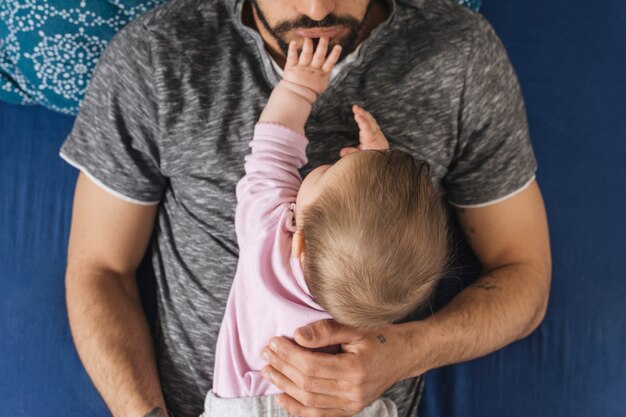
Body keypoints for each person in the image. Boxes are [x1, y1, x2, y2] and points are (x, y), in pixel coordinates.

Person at [59, 0, 552, 416]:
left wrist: (406, 354)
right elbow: (99, 270)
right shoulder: (154, 55)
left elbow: (523, 273)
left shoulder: (460, 53)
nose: (317, 10)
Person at [205, 36, 448, 417]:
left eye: (330, 171)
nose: (332, 162)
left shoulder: (271, 240)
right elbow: (380, 236)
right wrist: (373, 175)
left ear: (297, 240)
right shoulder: (374, 296)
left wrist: (298, 88)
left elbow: (271, 155)